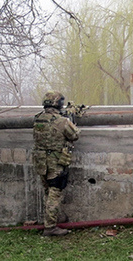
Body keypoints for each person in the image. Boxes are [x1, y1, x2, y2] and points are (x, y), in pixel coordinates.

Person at [32, 91, 80, 236]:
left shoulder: (38, 119)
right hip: (55, 162)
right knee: (55, 193)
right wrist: (70, 120)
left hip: (41, 161)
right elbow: (75, 135)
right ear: (58, 103)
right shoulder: (62, 121)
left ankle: (55, 218)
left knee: (48, 191)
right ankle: (50, 227)